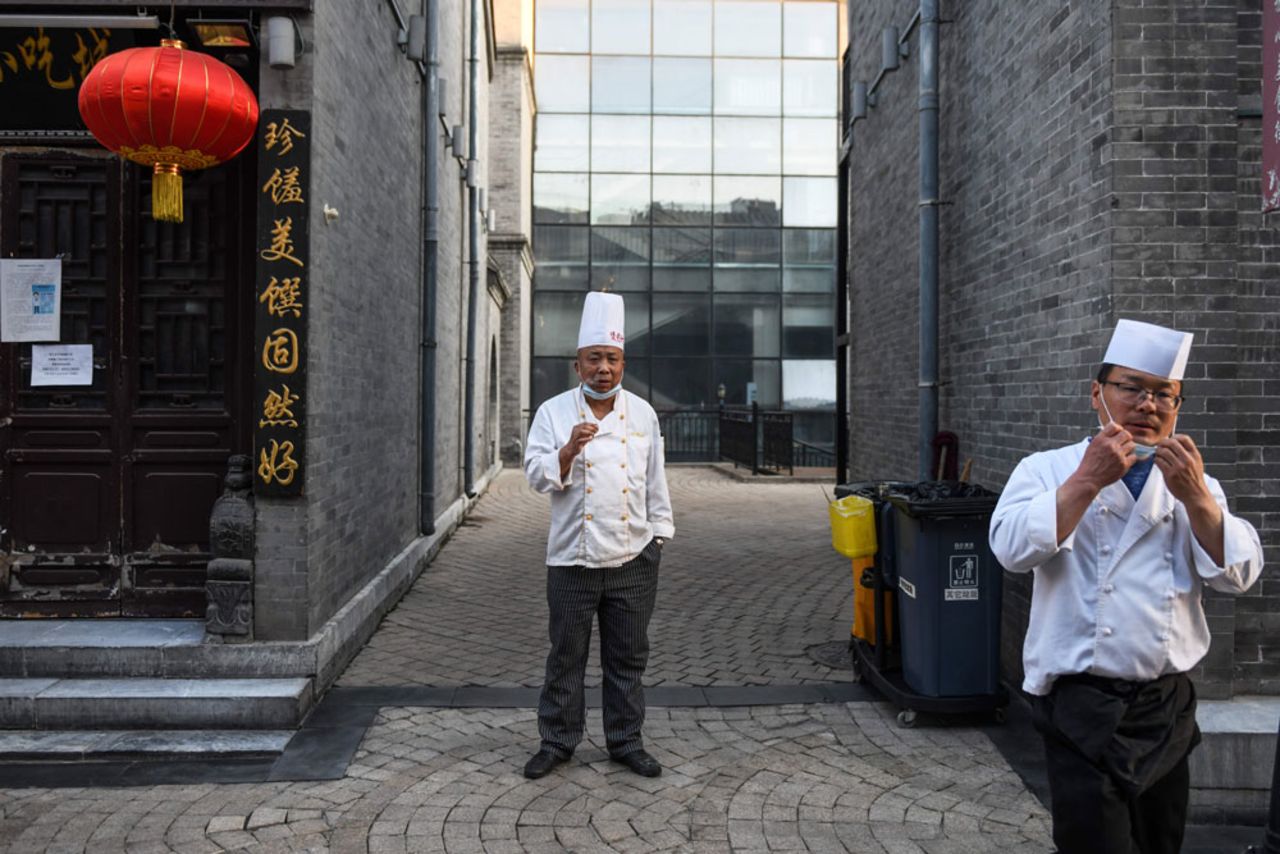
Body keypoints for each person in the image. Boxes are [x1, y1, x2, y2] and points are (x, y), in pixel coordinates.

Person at [989, 319, 1263, 854]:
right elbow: (1011, 550)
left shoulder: (1195, 482)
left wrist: (1198, 501)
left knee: (1161, 842)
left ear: (1177, 406)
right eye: (1131, 388)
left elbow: (1240, 574)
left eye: (1164, 394)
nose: (1148, 404)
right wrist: (1088, 480)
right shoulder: (1049, 469)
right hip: (1080, 707)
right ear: (1098, 394)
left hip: (1166, 707)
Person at [521, 292, 675, 780]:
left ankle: (626, 742)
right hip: (571, 558)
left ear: (623, 362)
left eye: (611, 359)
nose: (603, 368)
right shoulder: (553, 412)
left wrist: (659, 538)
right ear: (578, 365)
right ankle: (557, 742)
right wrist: (567, 452)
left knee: (628, 659)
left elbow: (656, 482)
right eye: (594, 359)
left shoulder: (644, 414)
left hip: (634, 557)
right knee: (566, 657)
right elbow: (534, 475)